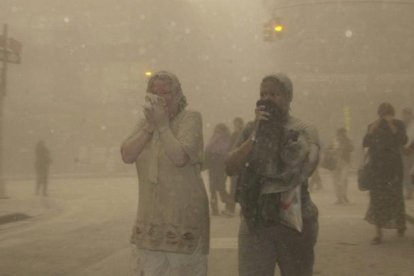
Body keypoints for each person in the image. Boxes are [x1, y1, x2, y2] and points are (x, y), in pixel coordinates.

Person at [225, 73, 319, 276]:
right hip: (255, 223)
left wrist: (276, 134)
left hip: (294, 221)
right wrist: (256, 135)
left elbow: (304, 169)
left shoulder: (304, 129)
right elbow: (230, 167)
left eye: (274, 94)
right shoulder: (251, 130)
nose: (267, 99)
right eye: (263, 94)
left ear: (288, 97)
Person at [120, 71, 209, 276]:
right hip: (150, 221)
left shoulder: (191, 118)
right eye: (154, 92)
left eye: (166, 92)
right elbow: (127, 154)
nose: (160, 97)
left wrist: (163, 126)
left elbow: (179, 157)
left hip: (183, 220)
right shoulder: (144, 123)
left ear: (178, 95)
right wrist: (150, 128)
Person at [363, 102, 408, 244]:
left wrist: (392, 126)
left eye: (388, 114)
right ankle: (378, 233)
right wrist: (371, 131)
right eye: (383, 114)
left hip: (393, 168)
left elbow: (403, 140)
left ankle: (400, 224)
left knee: (396, 198)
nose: (385, 117)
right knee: (377, 200)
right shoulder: (373, 125)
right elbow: (365, 143)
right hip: (377, 168)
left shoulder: (399, 124)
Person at [205, 123, 232, 216]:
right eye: (216, 130)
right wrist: (215, 139)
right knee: (212, 188)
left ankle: (229, 204)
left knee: (221, 187)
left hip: (220, 165)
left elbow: (223, 150)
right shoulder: (213, 138)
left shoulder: (226, 139)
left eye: (219, 130)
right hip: (213, 165)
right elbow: (207, 148)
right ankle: (214, 209)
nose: (217, 132)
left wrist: (219, 139)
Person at [223, 117, 245, 216]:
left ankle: (233, 209)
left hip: (239, 164)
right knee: (237, 187)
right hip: (239, 164)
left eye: (237, 124)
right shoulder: (242, 134)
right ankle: (236, 209)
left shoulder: (241, 134)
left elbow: (230, 149)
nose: (236, 126)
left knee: (236, 187)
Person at [329, 128, 354, 204]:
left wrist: (345, 146)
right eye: (340, 134)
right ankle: (339, 198)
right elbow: (328, 149)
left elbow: (352, 148)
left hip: (344, 163)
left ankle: (344, 196)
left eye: (343, 134)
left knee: (343, 180)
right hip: (335, 163)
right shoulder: (334, 141)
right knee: (336, 181)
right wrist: (333, 151)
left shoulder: (347, 141)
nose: (341, 136)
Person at [401, 108, 414, 199]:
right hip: (403, 151)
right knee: (405, 172)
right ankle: (408, 191)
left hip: (412, 150)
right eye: (404, 115)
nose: (406, 117)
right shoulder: (401, 125)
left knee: (412, 171)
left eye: (407, 114)